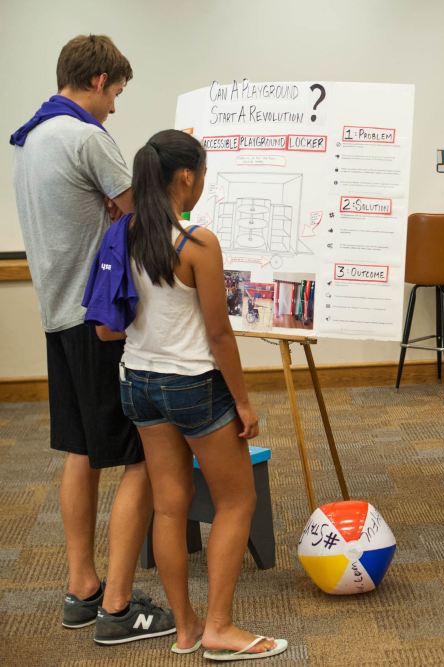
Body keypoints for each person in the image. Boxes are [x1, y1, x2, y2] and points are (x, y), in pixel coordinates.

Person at [10, 34, 174, 644]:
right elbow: (144, 216)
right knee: (144, 456)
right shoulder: (84, 136)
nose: (115, 109)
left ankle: (81, 588)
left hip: (58, 317)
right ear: (100, 79)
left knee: (81, 451)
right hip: (99, 322)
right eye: (117, 94)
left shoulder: (30, 139)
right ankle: (118, 606)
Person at [106, 128, 286, 660]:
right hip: (193, 387)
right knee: (237, 500)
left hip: (137, 383)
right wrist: (245, 404)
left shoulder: (126, 233)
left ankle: (185, 628)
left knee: (169, 507)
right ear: (187, 176)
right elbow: (219, 334)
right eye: (203, 174)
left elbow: (111, 322)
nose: (203, 183)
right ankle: (220, 628)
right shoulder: (197, 243)